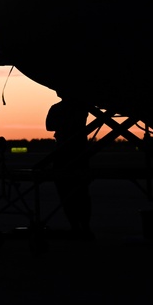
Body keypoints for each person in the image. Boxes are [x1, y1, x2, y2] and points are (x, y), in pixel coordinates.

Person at [46, 95, 93, 239]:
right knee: (78, 192)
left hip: (68, 153)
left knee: (71, 192)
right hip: (73, 152)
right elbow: (49, 126)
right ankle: (80, 227)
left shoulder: (61, 108)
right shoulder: (81, 107)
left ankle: (79, 227)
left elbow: (50, 125)